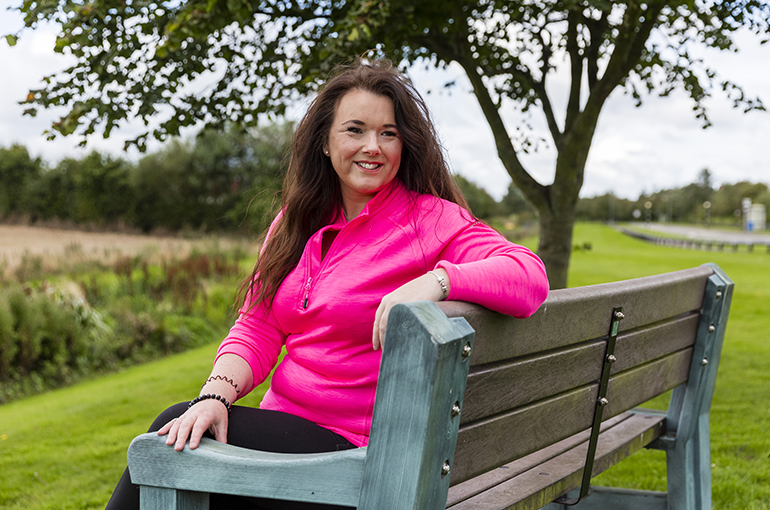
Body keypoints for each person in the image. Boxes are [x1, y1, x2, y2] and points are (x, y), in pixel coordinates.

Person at [105, 58, 549, 510]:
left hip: (354, 452)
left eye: (388, 134)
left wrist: (437, 281)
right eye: (354, 130)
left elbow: (528, 276)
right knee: (186, 428)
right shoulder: (294, 223)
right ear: (324, 141)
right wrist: (216, 395)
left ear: (404, 145)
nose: (372, 147)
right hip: (286, 433)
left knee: (168, 443)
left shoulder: (431, 220)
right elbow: (258, 327)